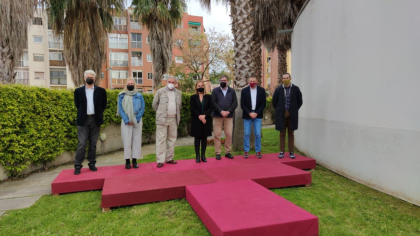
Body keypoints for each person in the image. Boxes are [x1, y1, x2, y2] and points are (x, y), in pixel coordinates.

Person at [73, 70, 107, 175]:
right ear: (84, 78)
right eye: (88, 77)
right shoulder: (78, 91)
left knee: (93, 144)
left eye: (92, 77)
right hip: (83, 120)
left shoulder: (101, 91)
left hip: (95, 119)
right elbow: (77, 105)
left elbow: (103, 105)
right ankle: (77, 165)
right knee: (82, 143)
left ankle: (92, 163)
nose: (90, 78)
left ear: (95, 79)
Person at [152, 77, 182, 168]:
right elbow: (154, 104)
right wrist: (161, 113)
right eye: (169, 82)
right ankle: (160, 160)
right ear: (166, 82)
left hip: (173, 119)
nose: (171, 83)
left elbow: (179, 106)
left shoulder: (178, 93)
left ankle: (169, 158)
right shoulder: (160, 92)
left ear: (175, 83)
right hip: (162, 119)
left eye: (173, 82)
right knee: (161, 140)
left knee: (172, 139)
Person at [272, 73, 303, 159]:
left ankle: (291, 152)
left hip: (292, 115)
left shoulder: (296, 89)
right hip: (281, 115)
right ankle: (282, 151)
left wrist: (294, 109)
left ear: (290, 78)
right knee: (282, 133)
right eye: (284, 78)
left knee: (291, 134)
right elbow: (274, 102)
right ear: (282, 79)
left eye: (287, 78)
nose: (285, 79)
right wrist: (279, 110)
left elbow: (299, 101)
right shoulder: (278, 90)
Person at [117, 78, 145, 169]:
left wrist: (136, 119)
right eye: (128, 83)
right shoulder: (121, 95)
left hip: (137, 120)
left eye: (131, 83)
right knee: (127, 141)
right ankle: (127, 162)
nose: (130, 84)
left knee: (136, 140)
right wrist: (126, 120)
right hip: (126, 121)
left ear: (134, 84)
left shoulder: (139, 95)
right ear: (126, 85)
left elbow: (142, 108)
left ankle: (135, 161)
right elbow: (120, 109)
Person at [211, 75, 238, 160]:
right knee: (217, 135)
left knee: (229, 134)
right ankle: (218, 153)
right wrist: (221, 111)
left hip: (228, 116)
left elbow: (235, 103)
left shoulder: (232, 91)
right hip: (217, 116)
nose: (222, 81)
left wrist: (228, 111)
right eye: (221, 80)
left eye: (224, 80)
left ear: (228, 81)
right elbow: (213, 103)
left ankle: (227, 152)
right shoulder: (215, 91)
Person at [241, 75, 267, 159]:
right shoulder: (244, 91)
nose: (252, 82)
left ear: (257, 81)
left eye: (254, 81)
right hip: (247, 115)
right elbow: (242, 104)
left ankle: (258, 151)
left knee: (258, 134)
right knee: (247, 133)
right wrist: (249, 113)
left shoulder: (262, 90)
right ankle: (246, 151)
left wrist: (256, 113)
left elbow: (263, 104)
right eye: (251, 81)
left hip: (257, 115)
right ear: (248, 81)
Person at [190, 81, 213, 163]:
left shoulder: (208, 97)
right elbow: (192, 108)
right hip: (196, 120)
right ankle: (197, 156)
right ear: (196, 87)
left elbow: (211, 108)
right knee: (197, 139)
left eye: (202, 85)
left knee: (204, 138)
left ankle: (203, 155)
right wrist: (200, 116)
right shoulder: (193, 97)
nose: (200, 87)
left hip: (206, 120)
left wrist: (204, 116)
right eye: (199, 86)